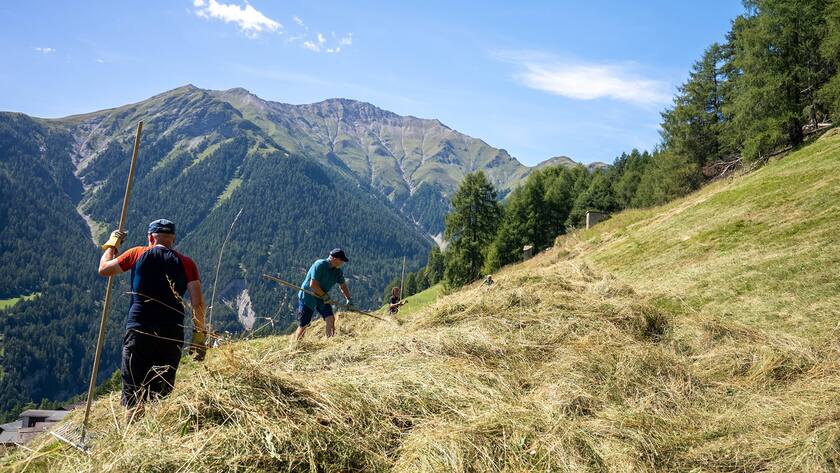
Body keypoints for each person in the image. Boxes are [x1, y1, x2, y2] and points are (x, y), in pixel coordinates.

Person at [97, 219, 206, 421]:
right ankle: (156, 439)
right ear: (173, 239)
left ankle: (132, 436)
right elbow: (198, 303)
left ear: (150, 237)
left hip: (140, 331)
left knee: (134, 393)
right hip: (172, 333)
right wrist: (198, 337)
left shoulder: (137, 253)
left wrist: (112, 245)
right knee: (160, 397)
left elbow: (104, 269)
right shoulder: (187, 263)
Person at [294, 248, 353, 341]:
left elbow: (343, 286)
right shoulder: (320, 265)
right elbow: (313, 285)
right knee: (304, 323)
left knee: (330, 317)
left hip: (322, 296)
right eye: (341, 260)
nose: (342, 263)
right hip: (308, 296)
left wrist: (349, 299)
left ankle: (330, 341)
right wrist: (324, 296)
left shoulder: (337, 271)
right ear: (334, 258)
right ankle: (296, 344)